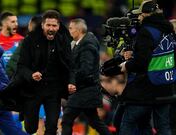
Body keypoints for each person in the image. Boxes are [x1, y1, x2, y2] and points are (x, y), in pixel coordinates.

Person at [119, 0, 175, 135]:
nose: (138, 17)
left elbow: (141, 62)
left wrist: (126, 65)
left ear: (147, 14)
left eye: (140, 14)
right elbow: (156, 52)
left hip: (147, 88)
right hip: (166, 86)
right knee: (163, 127)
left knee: (127, 122)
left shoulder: (146, 31)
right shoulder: (168, 29)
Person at [17, 10, 72, 135]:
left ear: (58, 26)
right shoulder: (29, 41)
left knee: (52, 126)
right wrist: (31, 74)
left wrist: (71, 82)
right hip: (33, 89)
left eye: (54, 25)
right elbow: (21, 66)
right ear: (42, 25)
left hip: (54, 90)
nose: (51, 28)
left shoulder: (64, 42)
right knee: (31, 128)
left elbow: (70, 65)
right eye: (48, 25)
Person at [60, 18, 111, 135]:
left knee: (67, 119)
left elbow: (85, 70)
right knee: (94, 121)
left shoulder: (87, 46)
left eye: (71, 28)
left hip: (83, 91)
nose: (69, 31)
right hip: (88, 90)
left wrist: (73, 82)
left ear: (78, 30)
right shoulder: (83, 43)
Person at [0, 11, 24, 135]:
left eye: (17, 21)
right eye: (13, 21)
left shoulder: (21, 40)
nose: (16, 24)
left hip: (15, 84)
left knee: (15, 116)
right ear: (4, 23)